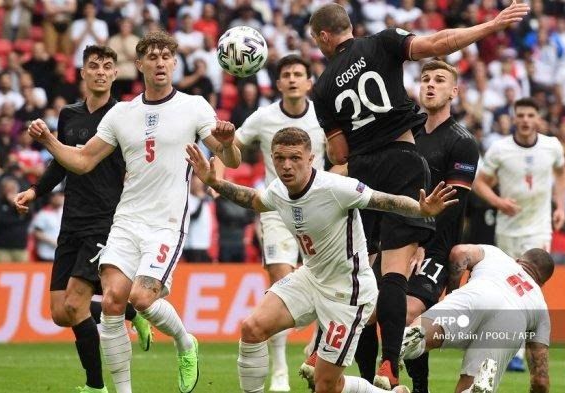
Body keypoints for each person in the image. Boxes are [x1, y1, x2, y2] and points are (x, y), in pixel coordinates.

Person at [308, 1, 530, 388]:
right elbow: (440, 42)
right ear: (348, 26)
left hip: (361, 174)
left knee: (365, 279)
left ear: (323, 36)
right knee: (393, 275)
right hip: (401, 161)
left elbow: (339, 154)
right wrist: (490, 26)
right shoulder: (382, 42)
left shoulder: (323, 86)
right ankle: (388, 368)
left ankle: (334, 358)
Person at [27, 31, 242, 393]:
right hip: (126, 220)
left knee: (141, 299)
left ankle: (185, 341)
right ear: (139, 64)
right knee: (112, 303)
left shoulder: (195, 106)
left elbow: (230, 161)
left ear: (175, 63)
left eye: (166, 56)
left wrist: (228, 142)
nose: (159, 62)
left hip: (167, 223)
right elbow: (81, 161)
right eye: (152, 57)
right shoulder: (123, 114)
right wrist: (49, 140)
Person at [186, 127, 457, 393]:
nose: (287, 166)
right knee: (252, 328)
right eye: (279, 158)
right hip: (311, 277)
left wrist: (421, 210)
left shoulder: (335, 188)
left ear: (311, 158)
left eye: (295, 158)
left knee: (326, 385)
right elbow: (254, 200)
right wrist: (215, 182)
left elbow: (384, 201)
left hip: (347, 292)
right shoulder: (279, 190)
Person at [13, 45, 152, 393]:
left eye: (108, 66)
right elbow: (61, 160)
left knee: (76, 303)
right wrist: (34, 191)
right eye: (94, 66)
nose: (101, 72)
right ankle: (131, 314)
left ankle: (95, 386)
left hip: (105, 220)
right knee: (61, 312)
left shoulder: (123, 117)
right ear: (83, 73)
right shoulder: (69, 115)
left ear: (116, 73)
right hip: (71, 220)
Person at [233, 54, 327, 392]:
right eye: (286, 74)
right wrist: (216, 171)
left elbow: (341, 158)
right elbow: (233, 148)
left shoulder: (323, 114)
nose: (291, 79)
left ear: (308, 82)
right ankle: (280, 370)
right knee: (282, 281)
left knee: (326, 283)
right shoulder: (262, 118)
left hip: (321, 210)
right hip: (276, 210)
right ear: (278, 83)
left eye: (298, 74)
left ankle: (316, 348)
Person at [472, 97, 565, 371]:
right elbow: (481, 183)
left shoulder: (552, 146)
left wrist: (560, 206)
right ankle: (509, 348)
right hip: (507, 229)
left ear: (538, 119)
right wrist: (498, 202)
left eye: (530, 115)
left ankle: (521, 353)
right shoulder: (500, 149)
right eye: (521, 115)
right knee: (509, 289)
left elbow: (562, 174)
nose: (525, 120)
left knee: (531, 288)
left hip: (538, 228)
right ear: (514, 118)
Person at [402, 60, 480, 393]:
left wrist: (422, 243)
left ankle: (420, 387)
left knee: (406, 316)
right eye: (425, 79)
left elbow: (453, 203)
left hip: (434, 247)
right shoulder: (409, 132)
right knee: (369, 314)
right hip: (397, 241)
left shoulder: (462, 142)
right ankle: (373, 382)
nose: (430, 85)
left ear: (454, 91)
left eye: (439, 80)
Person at [400, 244, 553, 393]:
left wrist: (452, 292)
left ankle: (410, 340)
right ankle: (475, 387)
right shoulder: (541, 307)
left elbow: (459, 252)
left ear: (518, 260)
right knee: (475, 379)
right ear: (542, 283)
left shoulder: (497, 254)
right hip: (512, 322)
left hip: (479, 294)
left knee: (423, 333)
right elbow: (541, 381)